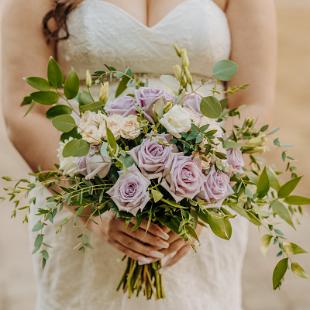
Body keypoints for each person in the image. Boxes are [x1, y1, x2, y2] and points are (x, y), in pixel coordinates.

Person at [1, 0, 276, 309]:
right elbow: (25, 111)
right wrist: (92, 209)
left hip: (197, 218)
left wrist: (203, 198)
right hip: (78, 198)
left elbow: (253, 106)